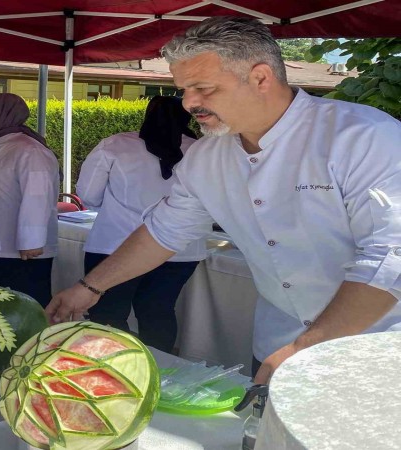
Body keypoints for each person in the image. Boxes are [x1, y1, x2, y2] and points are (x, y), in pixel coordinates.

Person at [47, 16, 401, 384]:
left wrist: (306, 348)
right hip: (277, 341)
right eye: (183, 89)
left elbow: (391, 256)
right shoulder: (207, 156)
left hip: (375, 347)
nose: (188, 103)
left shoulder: (363, 136)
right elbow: (163, 232)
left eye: (203, 88)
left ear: (261, 78)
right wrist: (89, 288)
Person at [75, 96, 206, 352]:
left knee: (108, 314)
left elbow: (89, 195)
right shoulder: (201, 150)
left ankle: (117, 368)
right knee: (158, 312)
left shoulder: (115, 145)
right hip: (180, 250)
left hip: (114, 244)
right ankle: (161, 371)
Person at [0, 93, 59, 305]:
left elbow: (38, 197)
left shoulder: (30, 149)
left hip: (21, 253)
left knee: (24, 311)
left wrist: (31, 241)